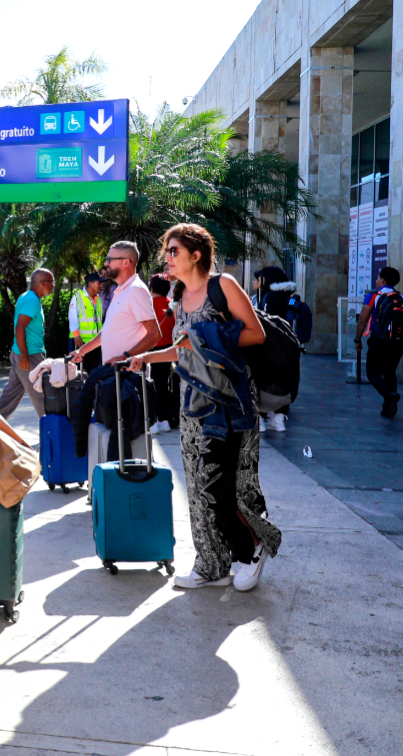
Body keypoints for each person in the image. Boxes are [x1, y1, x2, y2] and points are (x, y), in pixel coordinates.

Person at [129, 223, 281, 591]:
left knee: (218, 482)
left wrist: (208, 340)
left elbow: (255, 333)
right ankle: (212, 564)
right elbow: (184, 347)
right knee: (197, 486)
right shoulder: (180, 298)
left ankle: (252, 549)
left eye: (174, 251)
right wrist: (147, 355)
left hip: (226, 401)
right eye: (167, 251)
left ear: (196, 255)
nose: (167, 257)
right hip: (192, 401)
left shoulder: (222, 285)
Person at [73, 241, 161, 370]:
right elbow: (107, 333)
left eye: (109, 259)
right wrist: (81, 351)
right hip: (114, 376)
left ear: (125, 262)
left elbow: (154, 334)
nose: (105, 263)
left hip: (128, 378)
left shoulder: (135, 290)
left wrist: (125, 357)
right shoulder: (121, 291)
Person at [356, 267, 403, 419]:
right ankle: (388, 407)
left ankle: (389, 396)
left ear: (383, 281)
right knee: (389, 371)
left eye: (378, 278)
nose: (376, 281)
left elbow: (362, 320)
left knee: (372, 373)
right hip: (399, 342)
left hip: (380, 340)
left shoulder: (373, 297)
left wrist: (358, 339)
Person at [0, 268, 52, 420]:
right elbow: (20, 326)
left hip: (22, 354)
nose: (53, 286)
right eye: (51, 282)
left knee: (9, 397)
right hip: (30, 356)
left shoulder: (26, 297)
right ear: (43, 283)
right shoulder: (32, 301)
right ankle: (50, 436)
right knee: (42, 397)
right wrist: (25, 355)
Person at [253, 266, 296, 431]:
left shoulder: (271, 297)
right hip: (281, 345)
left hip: (271, 345)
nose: (254, 282)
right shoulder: (280, 295)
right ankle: (275, 418)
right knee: (277, 380)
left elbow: (269, 321)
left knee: (264, 380)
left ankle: (264, 419)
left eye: (257, 279)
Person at [147, 274, 178, 434]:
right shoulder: (172, 305)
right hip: (168, 348)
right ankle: (164, 419)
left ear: (151, 288)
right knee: (163, 385)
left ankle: (152, 421)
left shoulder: (147, 304)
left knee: (150, 384)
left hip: (149, 348)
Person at [68, 272, 104, 371]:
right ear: (90, 284)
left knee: (94, 370)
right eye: (99, 283)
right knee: (80, 370)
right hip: (81, 341)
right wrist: (76, 335)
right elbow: (72, 317)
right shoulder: (78, 297)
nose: (101, 285)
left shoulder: (98, 298)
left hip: (96, 342)